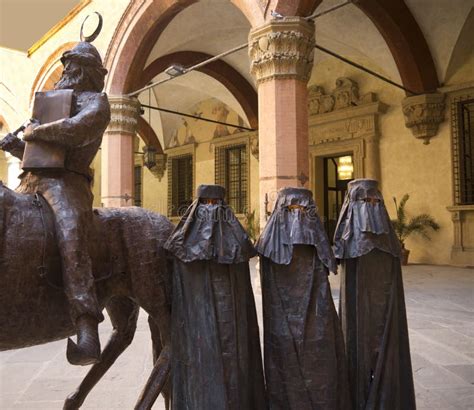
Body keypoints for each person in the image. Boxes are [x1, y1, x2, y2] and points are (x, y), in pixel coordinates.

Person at [0, 41, 111, 365]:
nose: (67, 72)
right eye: (66, 66)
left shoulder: (96, 102)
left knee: (71, 234)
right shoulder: (53, 104)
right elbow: (38, 155)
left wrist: (36, 132)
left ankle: (86, 326)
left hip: (67, 184)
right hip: (33, 181)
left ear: (89, 71)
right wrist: (16, 147)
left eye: (74, 66)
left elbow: (76, 132)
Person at [164, 184, 266, 410]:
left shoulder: (235, 241)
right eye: (206, 204)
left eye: (215, 204)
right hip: (199, 335)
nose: (211, 209)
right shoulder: (182, 245)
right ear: (197, 206)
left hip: (232, 327)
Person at [256, 187, 351, 410]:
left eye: (302, 210)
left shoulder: (316, 246)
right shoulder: (269, 247)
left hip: (318, 326)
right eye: (291, 209)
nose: (297, 218)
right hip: (282, 329)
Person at [333, 179, 416, 409]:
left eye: (374, 200)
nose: (370, 206)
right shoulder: (349, 242)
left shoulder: (388, 243)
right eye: (364, 201)